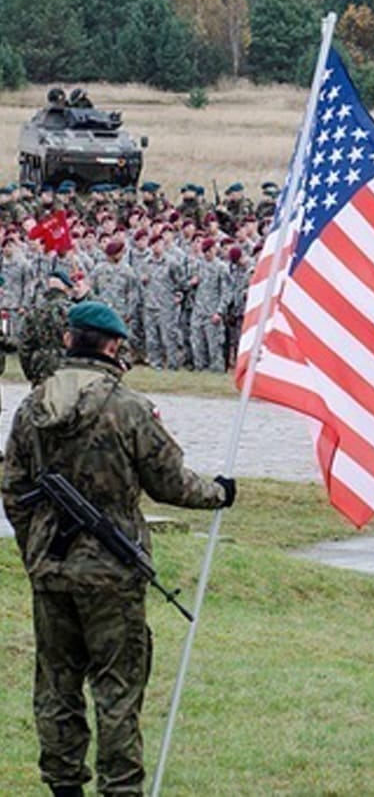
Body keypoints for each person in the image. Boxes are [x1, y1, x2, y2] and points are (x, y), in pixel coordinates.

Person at [1, 301, 236, 797]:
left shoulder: (34, 405)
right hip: (112, 572)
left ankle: (64, 784)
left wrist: (34, 547)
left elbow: (13, 488)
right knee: (118, 688)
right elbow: (171, 483)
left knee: (57, 684)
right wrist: (219, 492)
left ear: (69, 340)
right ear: (113, 346)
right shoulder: (128, 408)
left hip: (51, 569)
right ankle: (121, 788)